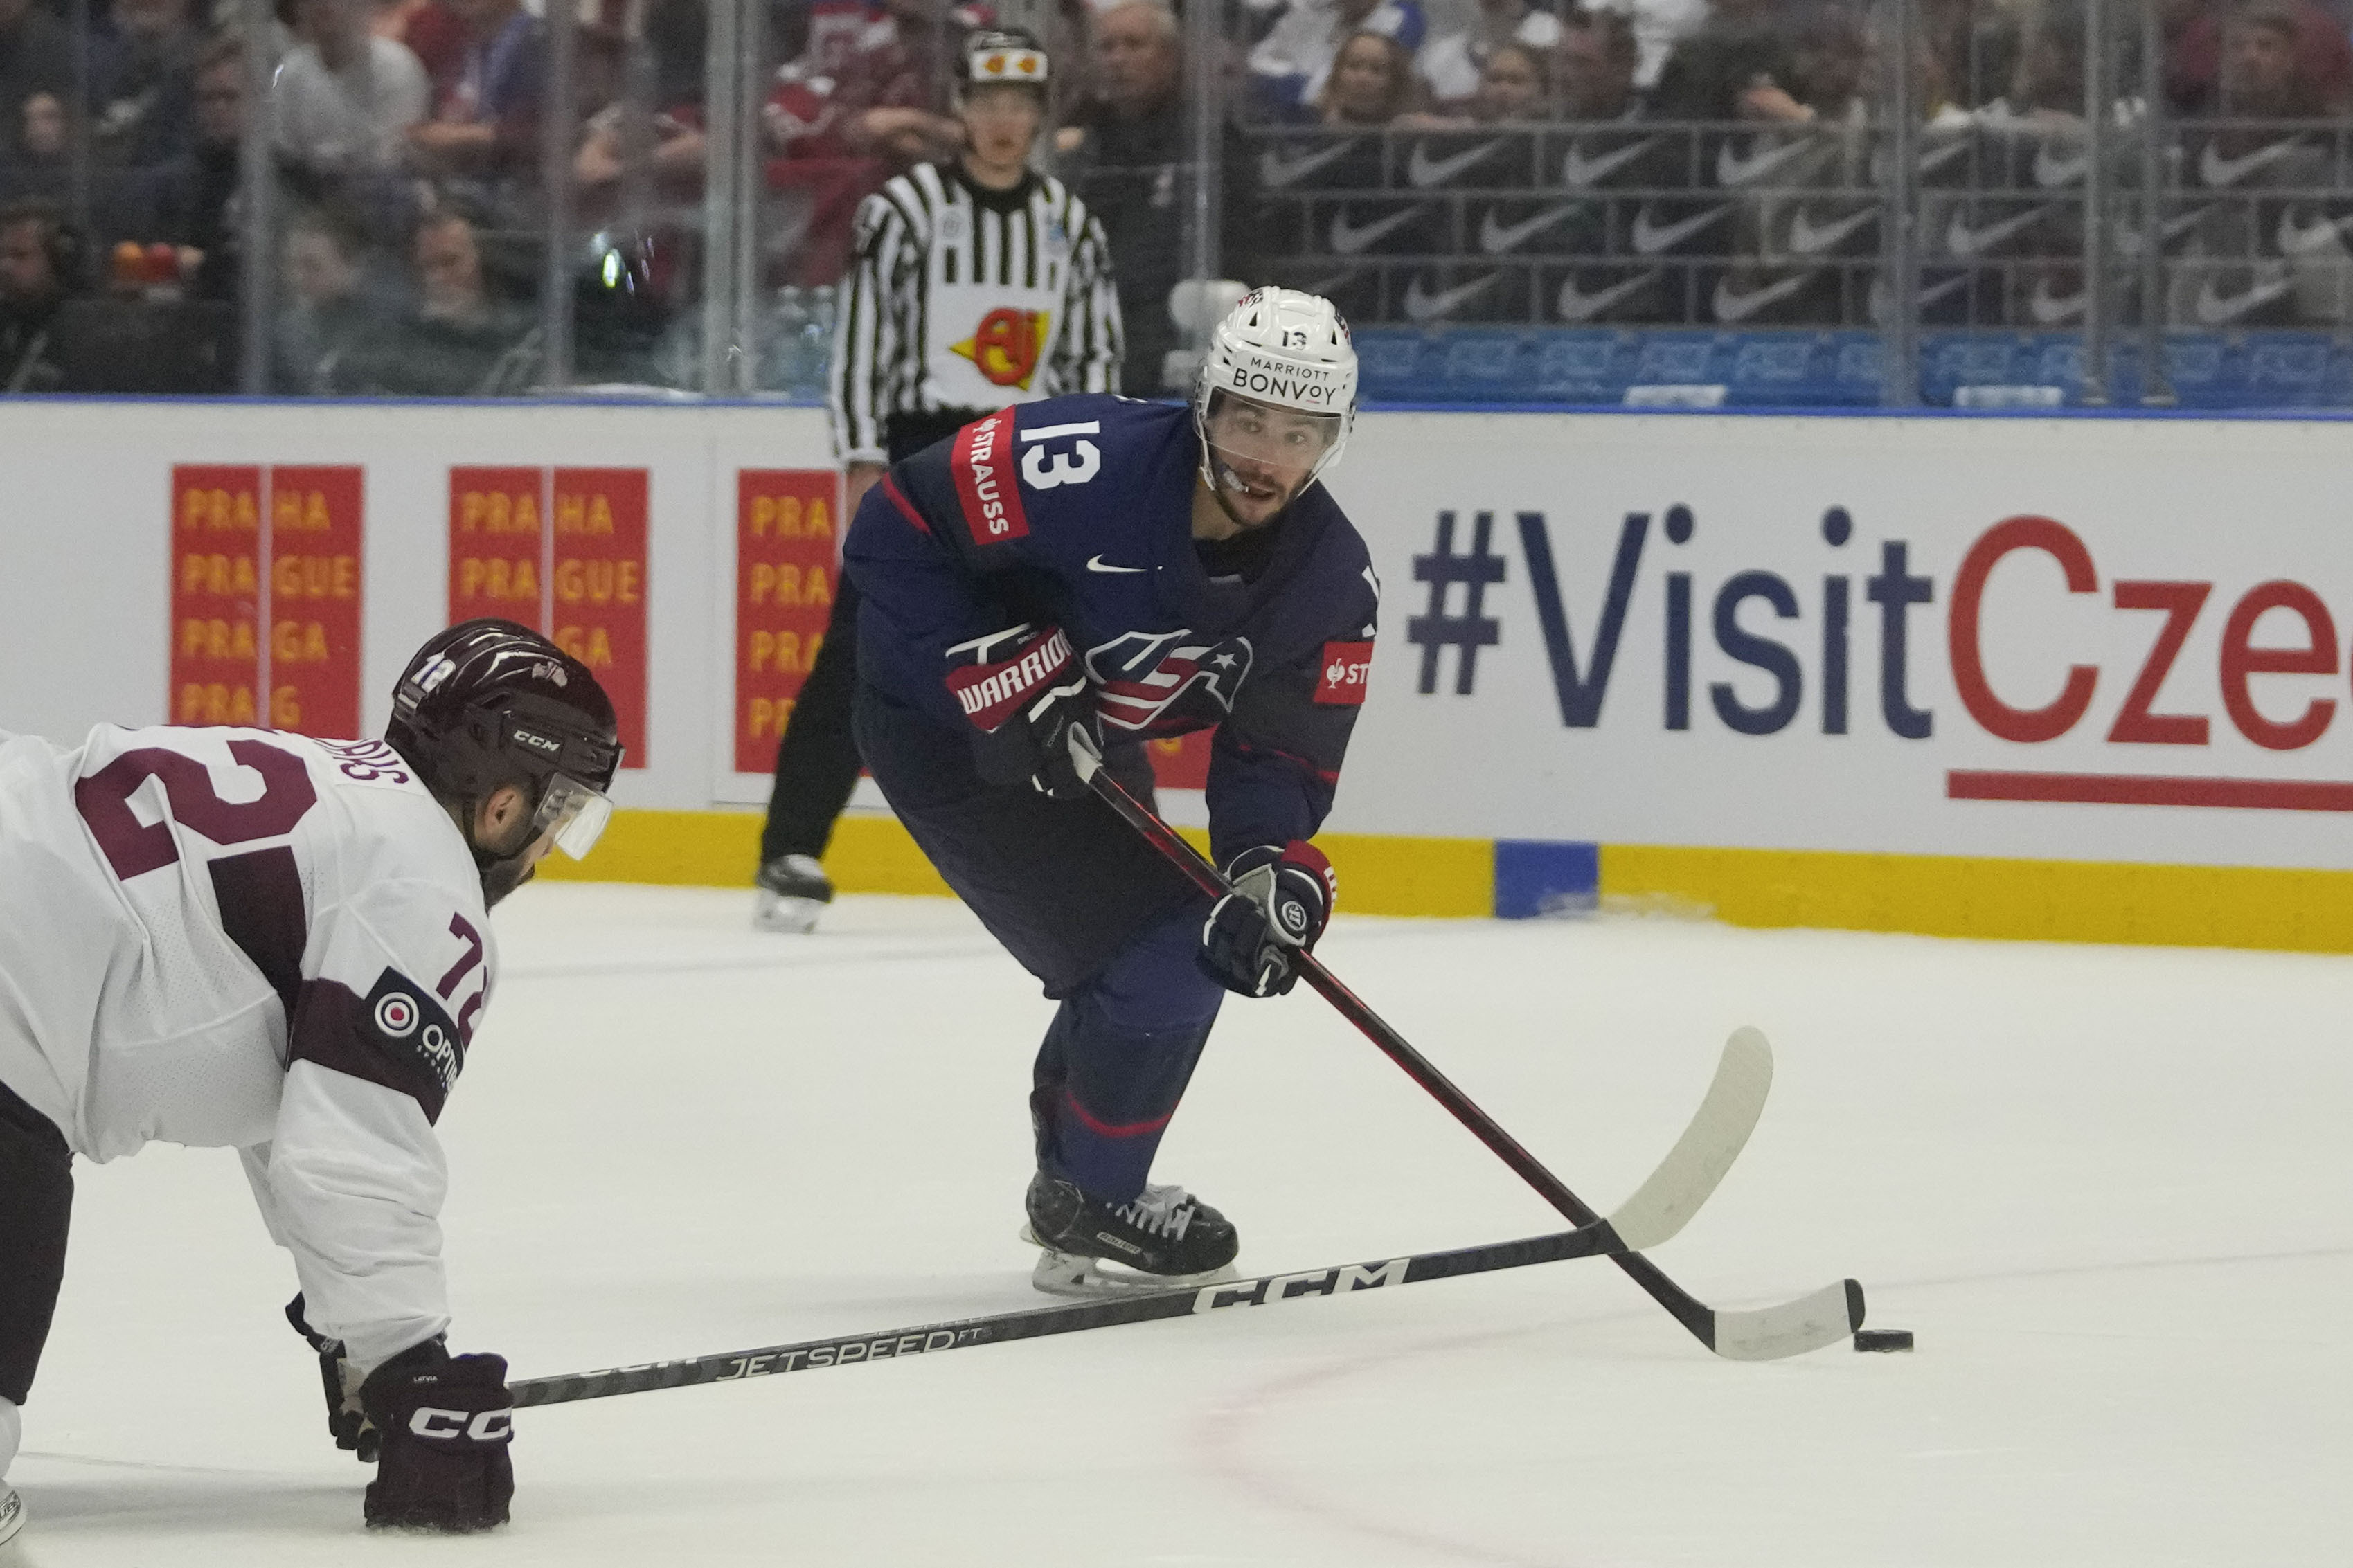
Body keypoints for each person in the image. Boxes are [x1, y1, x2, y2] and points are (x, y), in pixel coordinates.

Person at [0, 620, 623, 1545]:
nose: (542, 848)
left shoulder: (341, 798)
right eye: (557, 814)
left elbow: (290, 1102)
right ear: (502, 802)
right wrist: (409, 1365)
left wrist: (359, 1336)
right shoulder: (426, 886)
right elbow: (353, 1146)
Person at [842, 286, 1379, 1292]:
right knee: (1164, 949)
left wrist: (1271, 872)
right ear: (1205, 404)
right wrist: (993, 669)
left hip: (1085, 739)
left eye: (1299, 431)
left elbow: (1280, 758)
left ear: (1334, 439)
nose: (1267, 454)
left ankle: (1083, 1189)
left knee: (1198, 936)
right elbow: (895, 524)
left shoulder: (1331, 585)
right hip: (941, 734)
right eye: (1248, 418)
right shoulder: (1083, 461)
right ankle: (1092, 1196)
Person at [753, 27, 1122, 933]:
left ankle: (1063, 854)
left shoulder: (1070, 226)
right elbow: (861, 347)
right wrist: (860, 458)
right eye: (988, 101)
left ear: (1039, 116)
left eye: (1021, 105)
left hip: (1028, 457)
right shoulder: (904, 211)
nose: (1004, 120)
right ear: (960, 108)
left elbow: (1095, 358)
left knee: (1050, 654)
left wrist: (1094, 477)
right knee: (859, 646)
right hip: (924, 452)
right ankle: (789, 848)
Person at [0, 198, 76, 392]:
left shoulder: (84, 332)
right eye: (2, 255)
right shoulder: (6, 322)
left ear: (56, 261)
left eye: (20, 255)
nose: (5, 267)